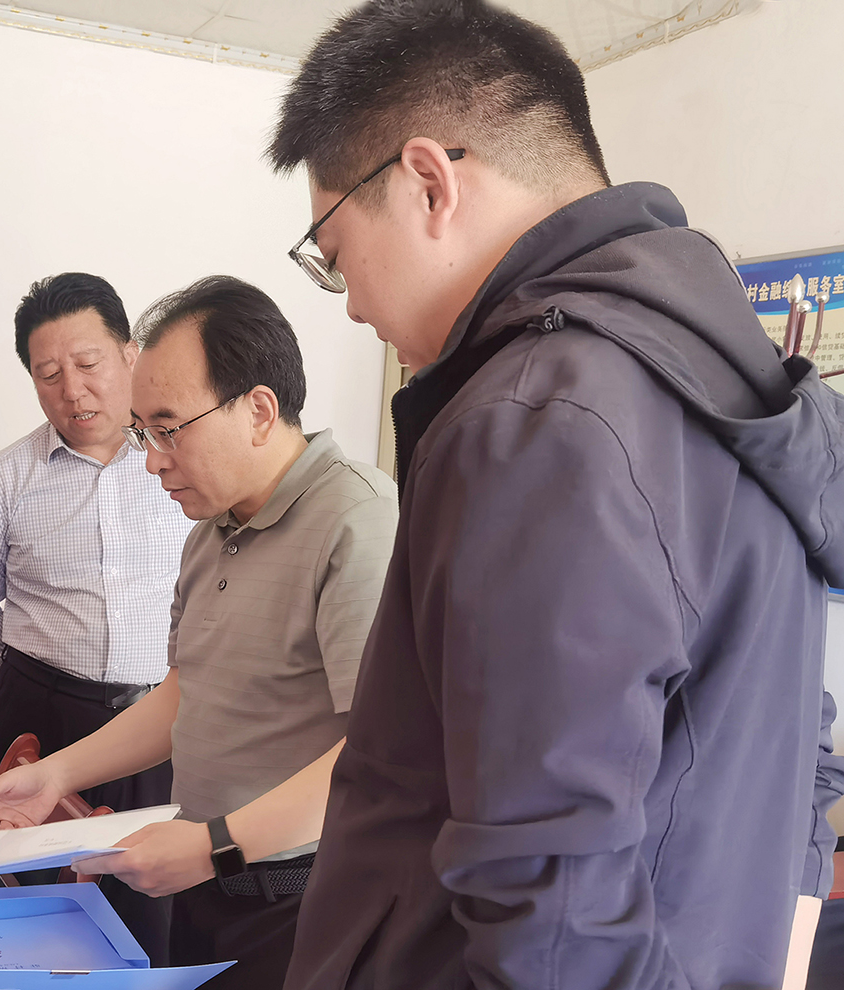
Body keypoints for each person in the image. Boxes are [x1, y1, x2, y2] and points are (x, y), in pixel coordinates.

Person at [265, 2, 844, 988]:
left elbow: (550, 900)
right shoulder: (722, 370)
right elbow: (800, 743)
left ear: (428, 182)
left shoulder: (539, 417)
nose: (352, 301)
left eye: (334, 253)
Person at [0, 275, 399, 989]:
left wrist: (209, 847)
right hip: (211, 879)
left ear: (258, 410)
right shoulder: (211, 530)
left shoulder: (358, 521)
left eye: (168, 429)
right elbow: (184, 692)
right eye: (144, 432)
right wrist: (54, 775)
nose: (152, 458)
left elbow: (379, 754)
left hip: (300, 898)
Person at [0, 272, 193, 960]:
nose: (73, 390)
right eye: (49, 374)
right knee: (33, 905)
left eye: (88, 364)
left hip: (168, 716)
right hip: (40, 717)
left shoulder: (187, 465)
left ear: (130, 354)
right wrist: (33, 679)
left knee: (155, 907)